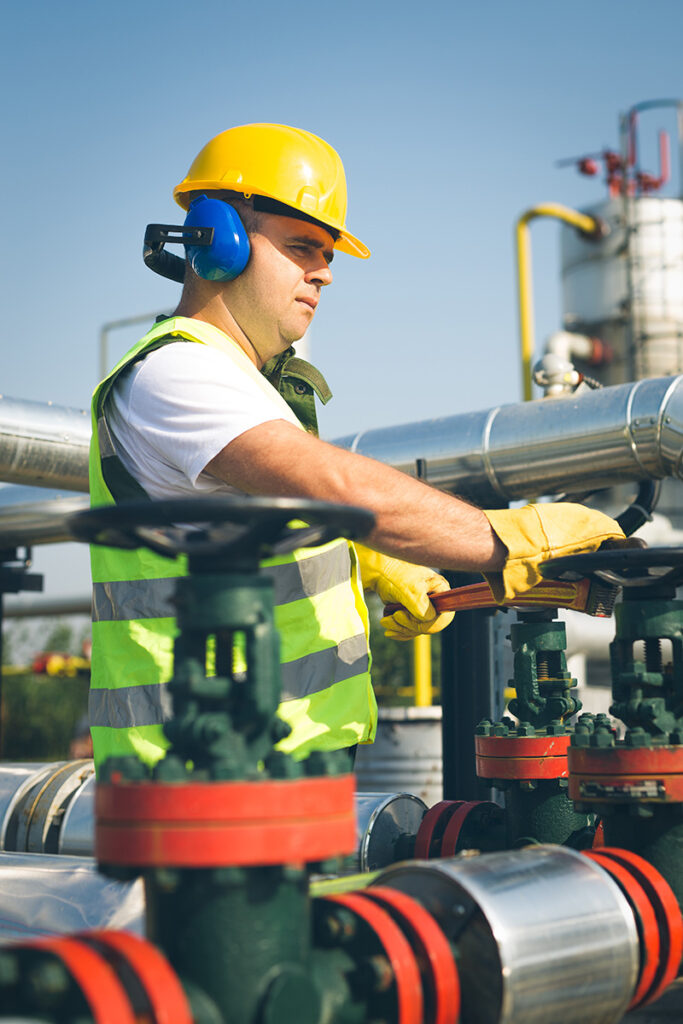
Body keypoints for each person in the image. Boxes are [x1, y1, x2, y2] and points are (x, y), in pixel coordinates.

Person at [87, 123, 625, 773]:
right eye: (302, 247)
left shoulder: (240, 384)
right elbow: (338, 487)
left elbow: (263, 523)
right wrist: (515, 538)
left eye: (328, 255)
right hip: (205, 782)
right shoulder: (176, 374)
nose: (323, 274)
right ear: (217, 240)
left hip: (260, 773)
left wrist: (362, 563)